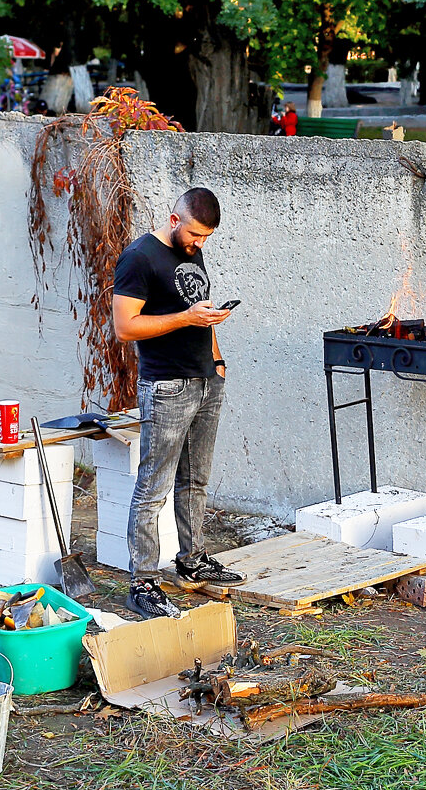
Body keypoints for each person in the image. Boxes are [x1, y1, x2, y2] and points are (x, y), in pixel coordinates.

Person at [112, 187, 245, 619]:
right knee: (154, 488)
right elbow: (125, 327)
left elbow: (197, 307)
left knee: (196, 481)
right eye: (194, 235)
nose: (199, 244)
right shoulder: (139, 258)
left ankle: (192, 562)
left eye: (205, 238)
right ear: (173, 220)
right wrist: (185, 319)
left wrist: (218, 359)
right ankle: (143, 583)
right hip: (166, 387)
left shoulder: (191, 252)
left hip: (206, 379)